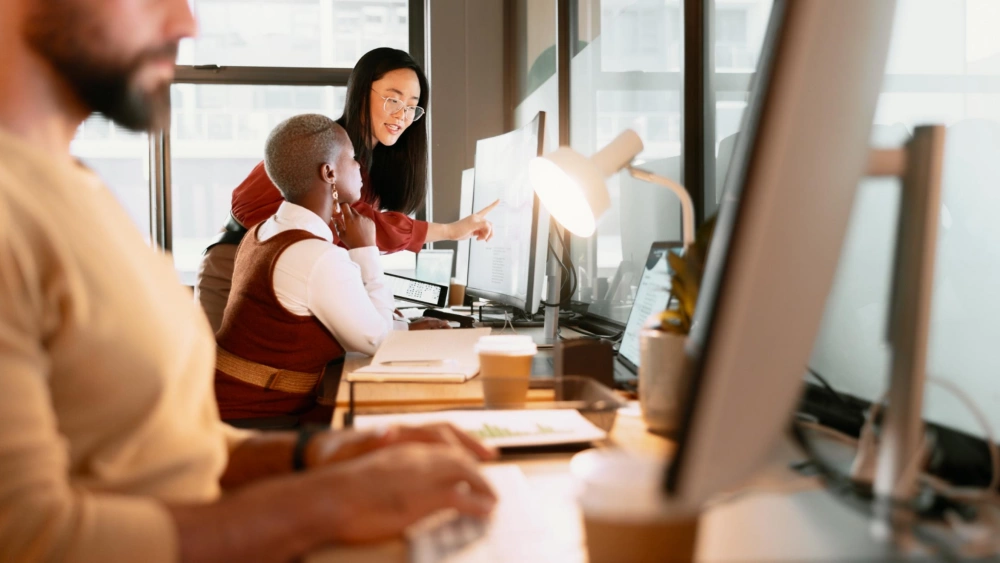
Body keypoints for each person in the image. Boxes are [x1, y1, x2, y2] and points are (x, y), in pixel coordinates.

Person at [0, 1, 497, 561]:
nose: (187, 23)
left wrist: (322, 456)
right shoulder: (15, 215)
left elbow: (169, 445)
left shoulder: (77, 191)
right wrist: (325, 503)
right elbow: (30, 537)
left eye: (413, 105)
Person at [195, 47, 500, 332]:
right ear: (361, 92)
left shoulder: (367, 164)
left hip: (283, 275)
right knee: (228, 378)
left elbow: (348, 243)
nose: (402, 116)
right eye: (393, 99)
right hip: (234, 267)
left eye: (412, 107)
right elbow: (361, 226)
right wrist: (451, 231)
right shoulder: (324, 145)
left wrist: (384, 316)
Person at [215, 115, 412, 422]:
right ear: (329, 172)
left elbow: (356, 320)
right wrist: (365, 251)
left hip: (230, 406)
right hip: (255, 421)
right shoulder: (314, 256)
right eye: (353, 158)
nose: (361, 166)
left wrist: (405, 327)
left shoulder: (264, 232)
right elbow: (379, 342)